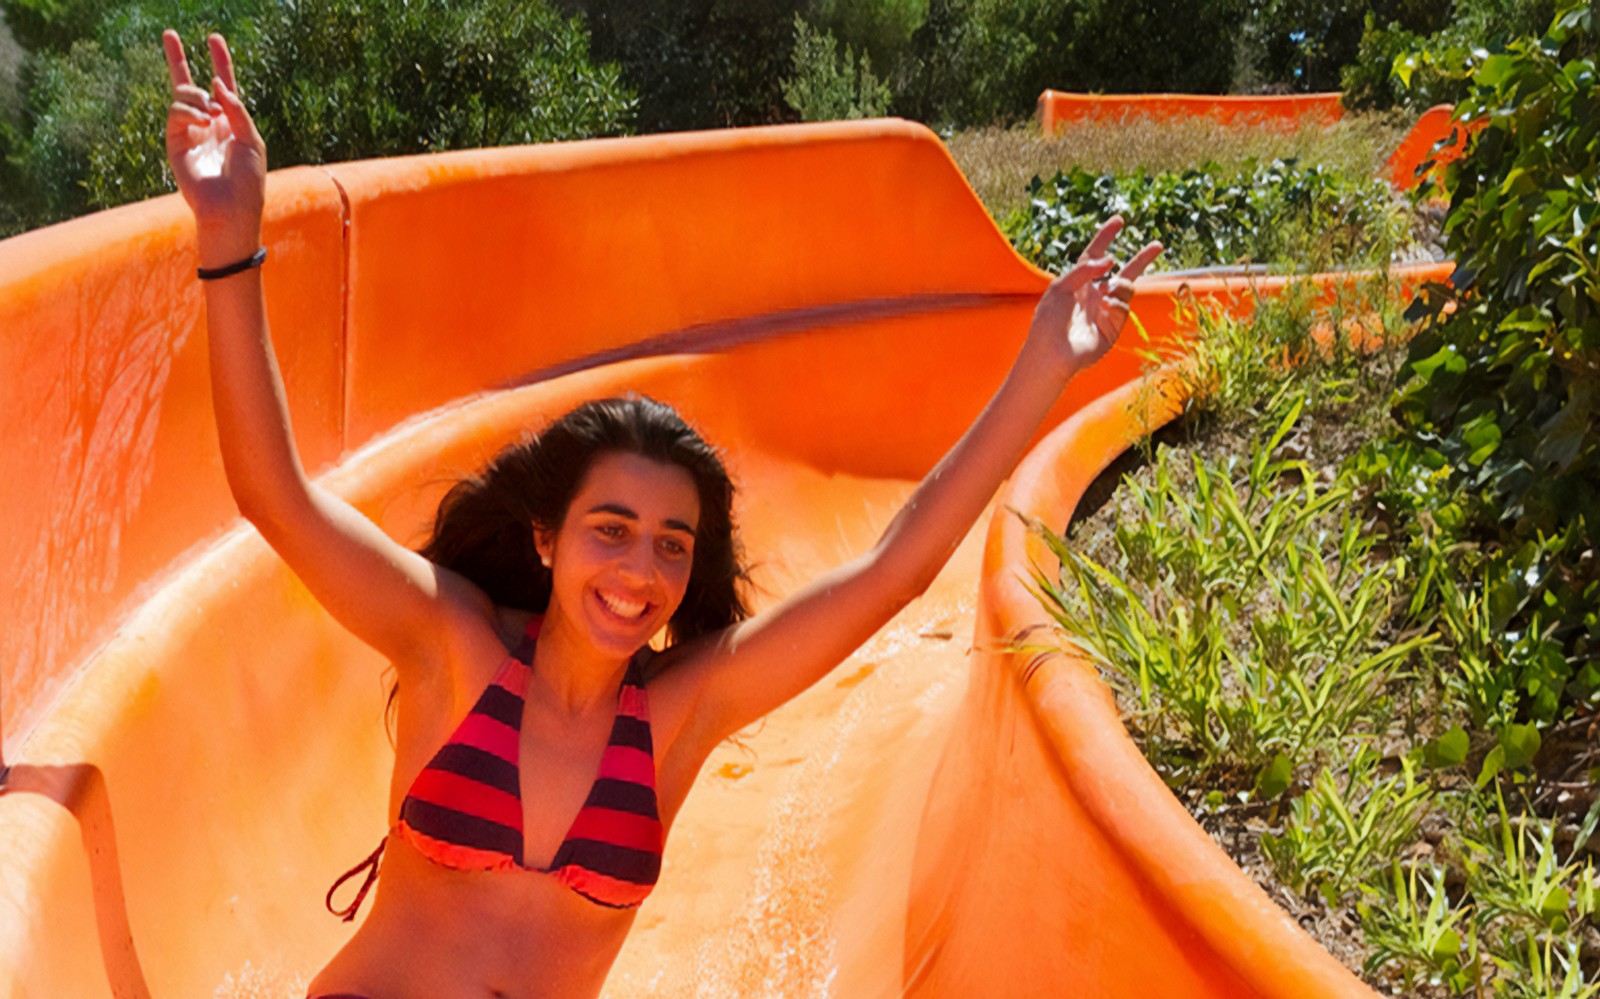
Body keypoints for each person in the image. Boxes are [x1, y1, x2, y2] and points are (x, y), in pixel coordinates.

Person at [162, 28, 1161, 999]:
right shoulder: (448, 646)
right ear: (547, 539)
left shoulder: (682, 714)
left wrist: (1041, 367)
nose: (638, 568)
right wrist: (227, 243)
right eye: (611, 528)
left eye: (670, 544)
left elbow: (895, 570)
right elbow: (275, 498)